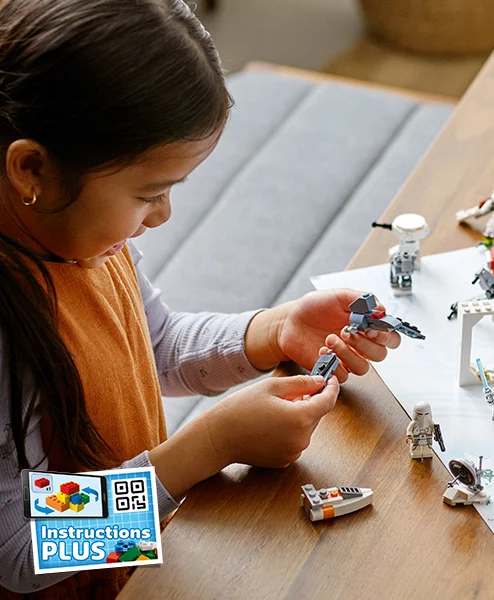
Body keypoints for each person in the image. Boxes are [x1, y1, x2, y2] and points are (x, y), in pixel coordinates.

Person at [0, 1, 400, 596]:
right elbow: (18, 548)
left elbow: (154, 346)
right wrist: (211, 446)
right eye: (149, 194)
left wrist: (275, 331)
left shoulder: (83, 240)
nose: (163, 215)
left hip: (135, 554)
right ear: (32, 169)